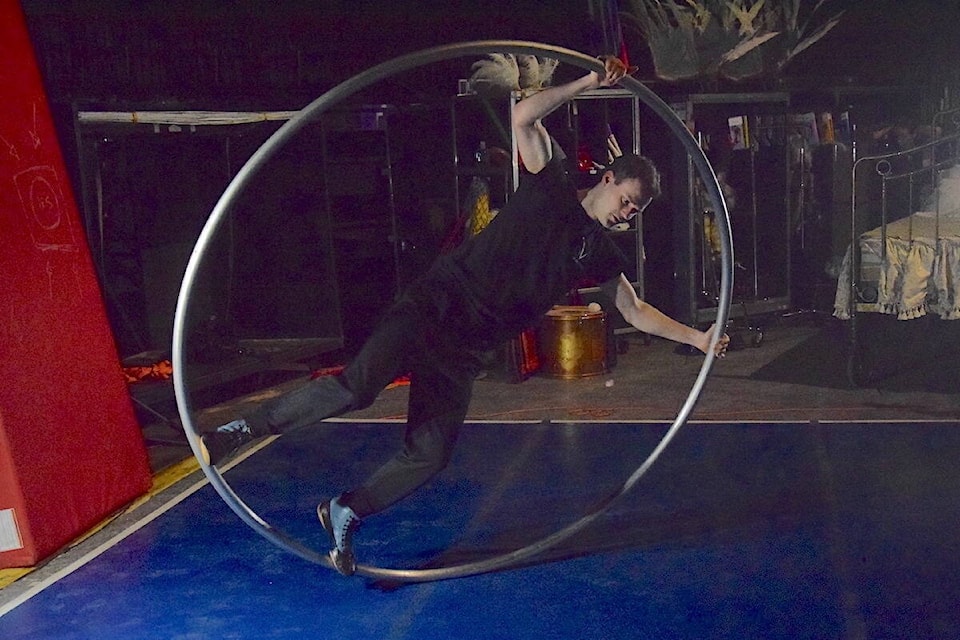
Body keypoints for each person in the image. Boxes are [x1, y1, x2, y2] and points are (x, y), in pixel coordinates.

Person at [199, 55, 730, 576]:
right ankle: (236, 433)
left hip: (465, 348)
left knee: (430, 455)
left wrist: (698, 338)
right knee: (355, 388)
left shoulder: (601, 255)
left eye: (638, 212)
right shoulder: (551, 181)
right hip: (436, 306)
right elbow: (523, 116)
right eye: (628, 200)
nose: (628, 215)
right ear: (610, 178)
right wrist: (589, 80)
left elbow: (635, 311)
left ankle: (346, 509)